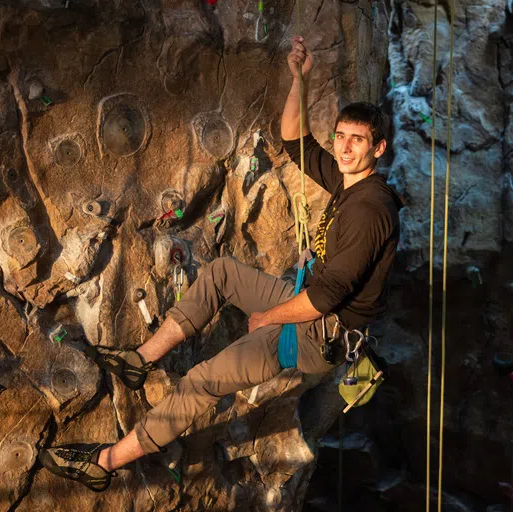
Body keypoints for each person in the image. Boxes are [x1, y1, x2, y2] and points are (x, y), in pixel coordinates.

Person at [38, 35, 403, 492]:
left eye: (359, 141)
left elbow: (328, 297)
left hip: (317, 332)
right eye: (342, 138)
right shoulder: (351, 182)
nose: (346, 149)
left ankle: (106, 463)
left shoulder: (370, 210)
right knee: (222, 273)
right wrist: (299, 80)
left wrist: (268, 317)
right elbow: (294, 138)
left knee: (201, 381)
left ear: (379, 148)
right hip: (306, 302)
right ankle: (141, 360)